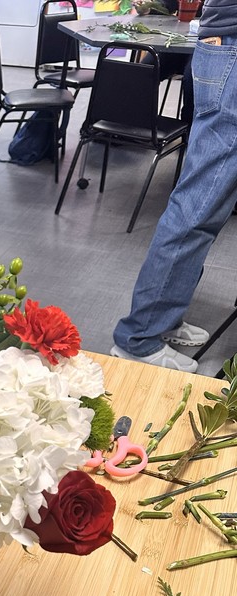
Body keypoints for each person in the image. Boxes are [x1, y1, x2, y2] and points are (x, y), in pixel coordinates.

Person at [111, 0, 234, 372]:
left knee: (207, 201)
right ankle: (140, 337)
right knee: (200, 203)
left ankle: (163, 316)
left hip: (225, 42)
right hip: (232, 45)